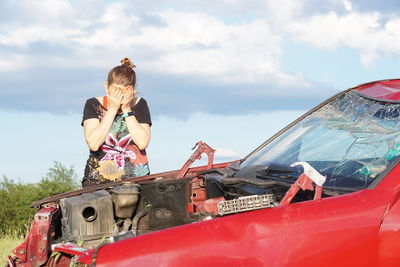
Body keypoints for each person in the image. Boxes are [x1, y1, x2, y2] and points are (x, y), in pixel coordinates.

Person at [81, 58, 152, 187]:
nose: (119, 96)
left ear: (132, 91)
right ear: (106, 87)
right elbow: (93, 143)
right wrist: (112, 110)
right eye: (116, 90)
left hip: (136, 181)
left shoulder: (140, 104)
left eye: (123, 92)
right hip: (98, 181)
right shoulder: (92, 104)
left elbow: (142, 143)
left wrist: (126, 109)